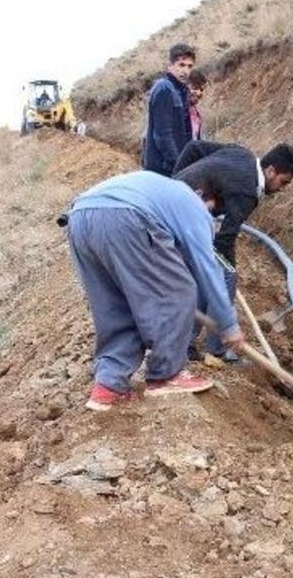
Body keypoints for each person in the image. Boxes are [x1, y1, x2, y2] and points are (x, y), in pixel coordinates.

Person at [65, 170, 242, 412]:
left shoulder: (163, 195)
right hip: (125, 218)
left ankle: (109, 385)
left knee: (117, 307)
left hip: (79, 217)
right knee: (179, 291)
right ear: (206, 198)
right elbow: (207, 268)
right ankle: (166, 375)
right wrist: (228, 324)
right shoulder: (194, 206)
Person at [174, 140, 293, 360]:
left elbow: (194, 148)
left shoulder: (242, 154)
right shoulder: (247, 191)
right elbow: (226, 238)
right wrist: (229, 267)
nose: (282, 188)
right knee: (226, 278)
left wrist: (175, 182)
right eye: (283, 182)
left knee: (209, 273)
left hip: (175, 205)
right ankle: (216, 349)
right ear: (270, 171)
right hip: (179, 218)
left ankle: (187, 342)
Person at [142, 43, 195, 176]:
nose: (185, 71)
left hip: (174, 166)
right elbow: (162, 134)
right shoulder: (165, 88)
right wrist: (178, 164)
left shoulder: (181, 90)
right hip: (162, 169)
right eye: (181, 65)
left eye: (189, 66)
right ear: (170, 66)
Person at [187, 69, 207, 140]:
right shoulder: (178, 111)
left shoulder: (197, 114)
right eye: (195, 88)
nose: (199, 93)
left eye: (201, 90)